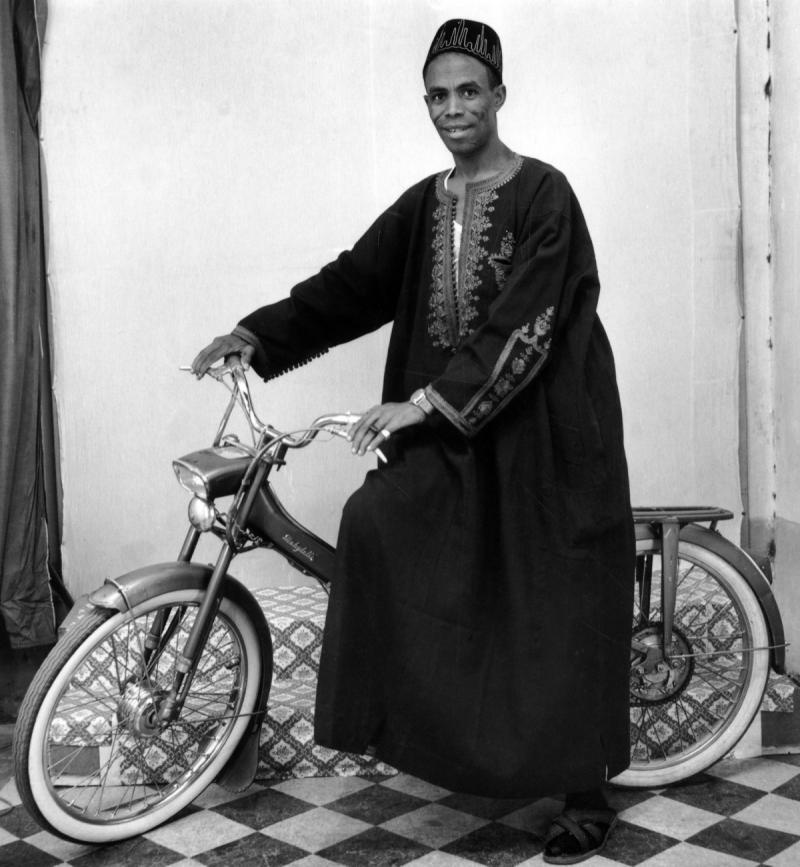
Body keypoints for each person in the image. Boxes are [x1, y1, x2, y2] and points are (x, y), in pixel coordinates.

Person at [192, 19, 634, 864]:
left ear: (500, 95)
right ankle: (441, 739)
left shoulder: (547, 193)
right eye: (437, 95)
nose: (453, 108)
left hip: (546, 436)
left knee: (554, 597)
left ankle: (584, 786)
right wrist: (255, 334)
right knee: (379, 523)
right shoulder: (425, 203)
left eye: (469, 90)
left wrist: (427, 402)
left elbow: (530, 323)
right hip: (456, 433)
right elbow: (350, 283)